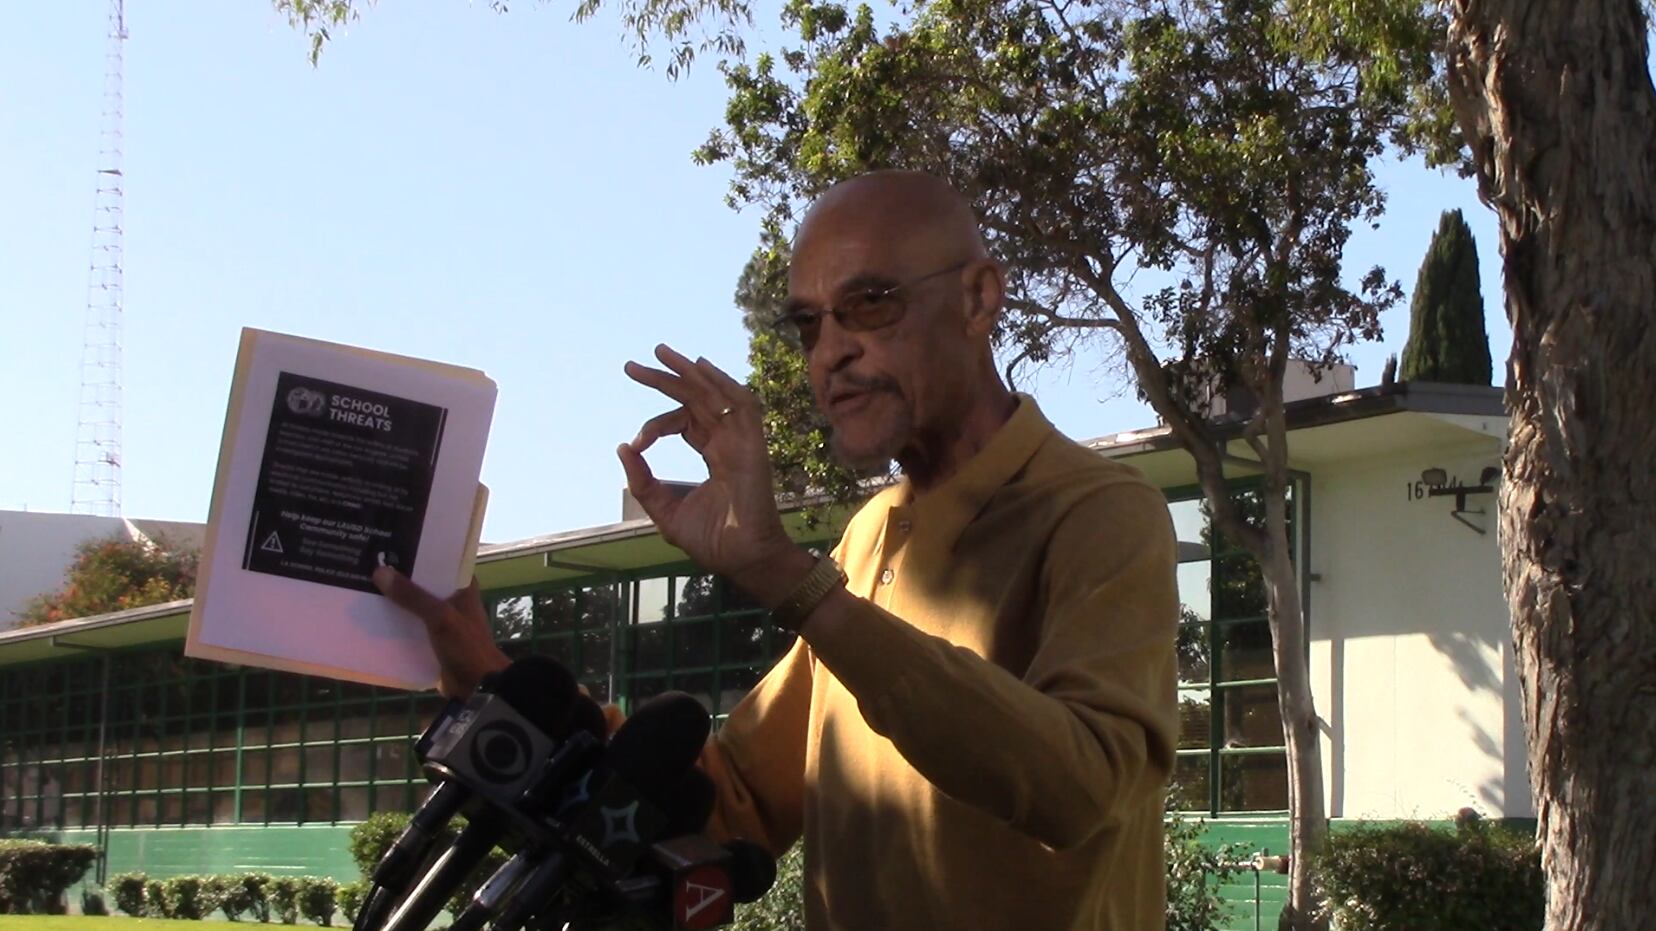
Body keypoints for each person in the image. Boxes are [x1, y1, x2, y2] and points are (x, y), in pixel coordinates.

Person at [376, 170, 1179, 930]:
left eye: (869, 303)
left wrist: (783, 573)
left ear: (978, 297)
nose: (830, 353)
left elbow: (1083, 786)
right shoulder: (871, 533)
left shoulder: (1101, 511)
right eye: (808, 324)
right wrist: (490, 678)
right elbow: (732, 802)